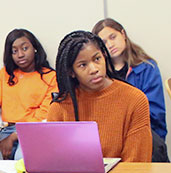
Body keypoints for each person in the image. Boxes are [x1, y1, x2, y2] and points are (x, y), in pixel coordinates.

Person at [46, 30, 152, 162]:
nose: (94, 69)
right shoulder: (60, 107)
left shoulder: (134, 99)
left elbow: (137, 164)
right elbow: (53, 162)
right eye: (83, 65)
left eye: (97, 59)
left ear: (104, 57)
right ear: (71, 72)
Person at [93, 18, 168, 162]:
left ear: (123, 34)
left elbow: (155, 114)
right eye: (104, 42)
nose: (110, 45)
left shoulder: (147, 67)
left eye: (113, 37)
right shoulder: (100, 74)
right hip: (110, 136)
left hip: (143, 131)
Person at [0, 29, 57, 159]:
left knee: (21, 158)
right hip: (7, 130)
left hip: (34, 131)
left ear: (35, 48)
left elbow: (45, 115)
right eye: (14, 51)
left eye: (25, 48)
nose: (20, 54)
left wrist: (15, 136)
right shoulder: (4, 75)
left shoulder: (50, 77)